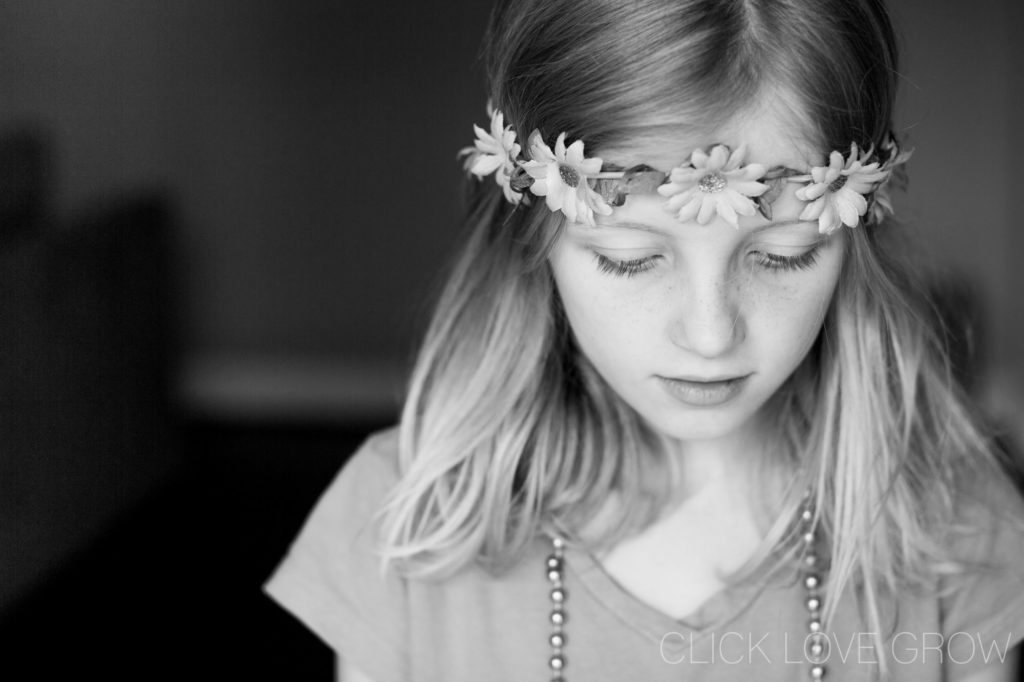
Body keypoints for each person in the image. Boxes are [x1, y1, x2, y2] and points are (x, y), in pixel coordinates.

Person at [264, 0, 1024, 679]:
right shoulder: (407, 527)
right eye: (628, 258)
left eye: (784, 252)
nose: (709, 333)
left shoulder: (956, 533)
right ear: (536, 236)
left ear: (854, 230)